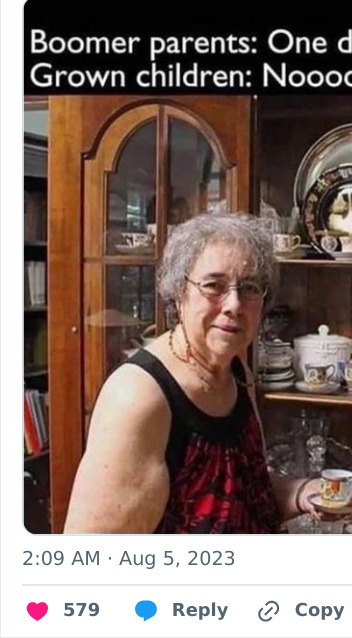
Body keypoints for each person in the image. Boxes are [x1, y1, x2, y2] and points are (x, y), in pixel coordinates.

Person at [64, 212, 321, 533]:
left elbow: (241, 490)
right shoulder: (139, 398)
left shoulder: (236, 371)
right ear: (179, 293)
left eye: (250, 287)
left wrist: (301, 493)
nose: (234, 304)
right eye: (214, 285)